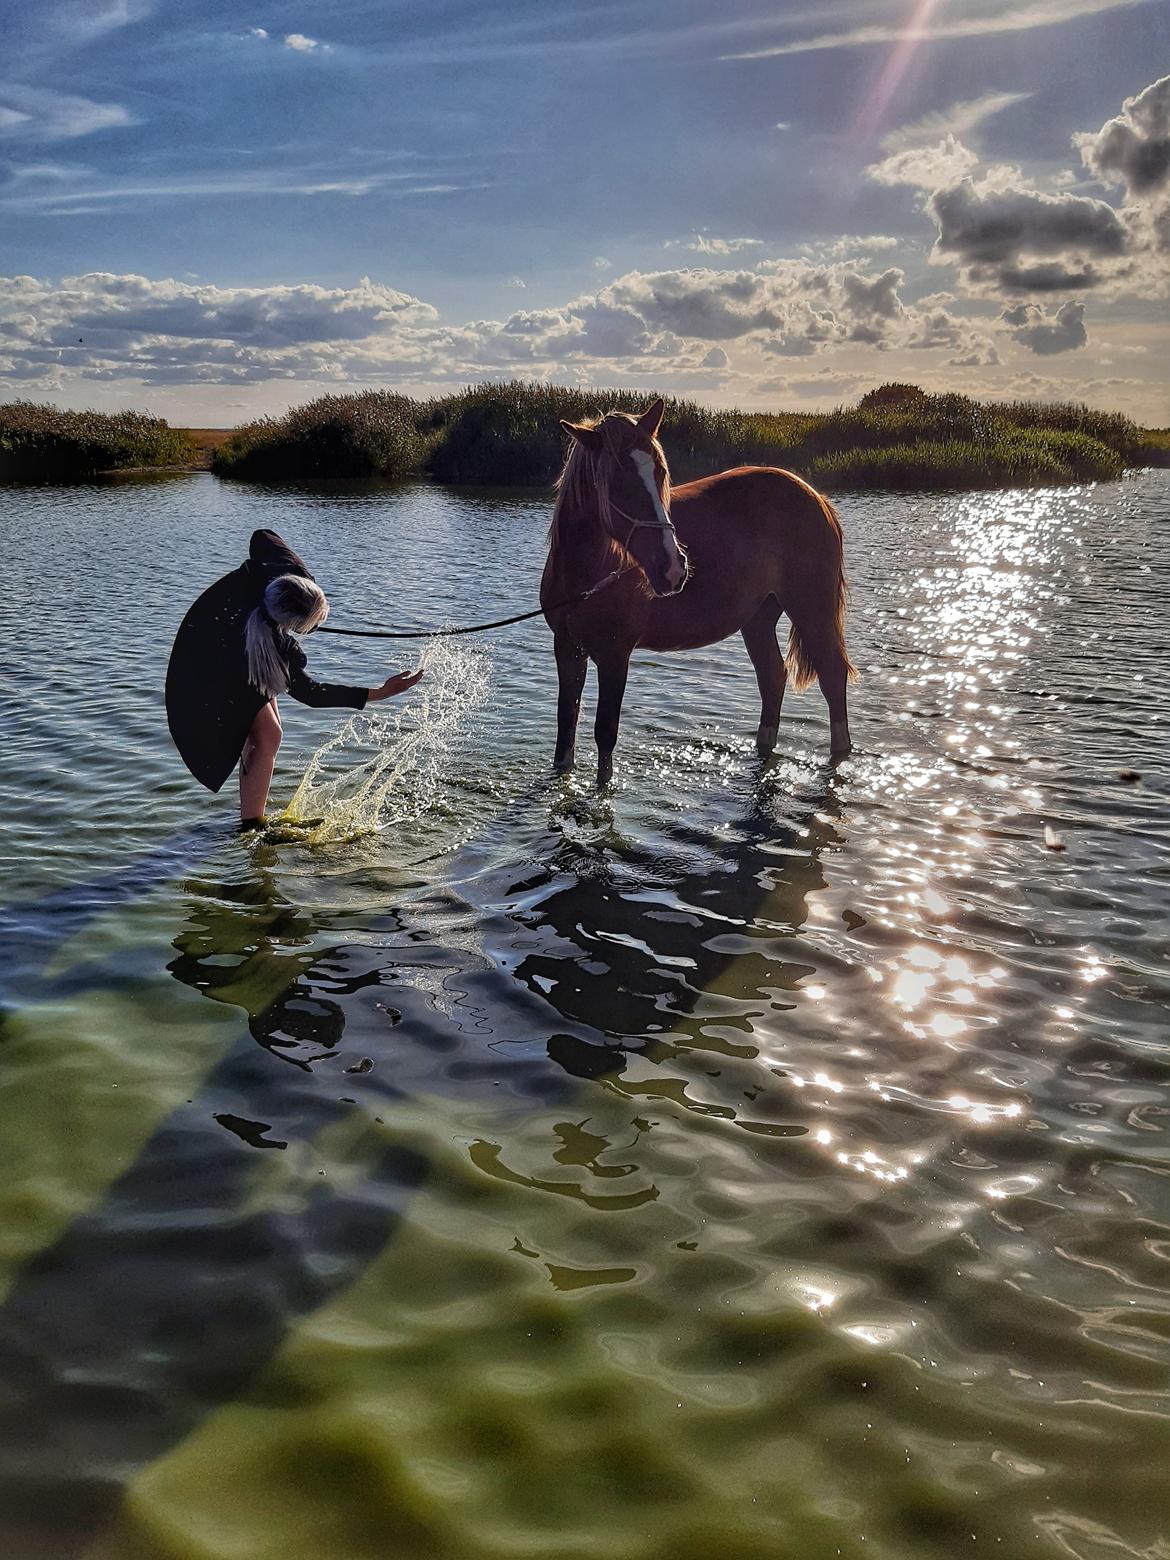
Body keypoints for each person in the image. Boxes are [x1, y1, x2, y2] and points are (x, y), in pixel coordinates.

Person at [166, 529, 422, 827]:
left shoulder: (276, 572)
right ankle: (250, 825)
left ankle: (249, 813)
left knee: (270, 733)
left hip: (213, 627)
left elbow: (262, 535)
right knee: (268, 735)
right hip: (208, 659)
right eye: (305, 629)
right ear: (288, 625)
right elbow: (311, 693)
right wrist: (381, 691)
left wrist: (303, 578)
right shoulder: (268, 647)